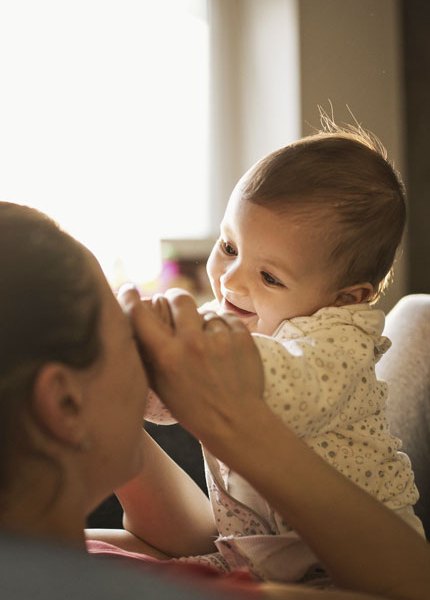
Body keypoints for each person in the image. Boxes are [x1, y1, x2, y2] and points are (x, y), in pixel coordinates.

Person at [1, 200, 429, 600]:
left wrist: (99, 414)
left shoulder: (52, 548)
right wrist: (235, 420)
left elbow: (195, 538)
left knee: (416, 319)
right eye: (120, 325)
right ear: (64, 403)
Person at [142, 125, 424, 581]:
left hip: (354, 560)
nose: (231, 281)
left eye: (269, 277)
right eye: (229, 247)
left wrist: (196, 353)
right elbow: (172, 404)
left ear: (348, 297)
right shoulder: (229, 312)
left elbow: (294, 391)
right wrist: (138, 368)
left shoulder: (342, 337)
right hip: (256, 553)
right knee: (156, 579)